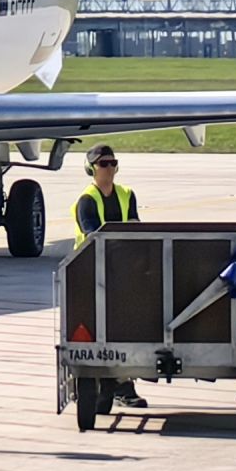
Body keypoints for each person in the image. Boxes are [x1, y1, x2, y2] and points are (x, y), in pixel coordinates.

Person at [73, 143, 147, 408]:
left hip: (124, 274)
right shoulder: (87, 200)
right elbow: (94, 235)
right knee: (100, 333)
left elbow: (137, 226)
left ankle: (123, 385)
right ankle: (105, 384)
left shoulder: (127, 194)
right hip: (92, 274)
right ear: (91, 168)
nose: (109, 168)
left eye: (113, 163)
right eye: (103, 164)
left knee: (125, 329)